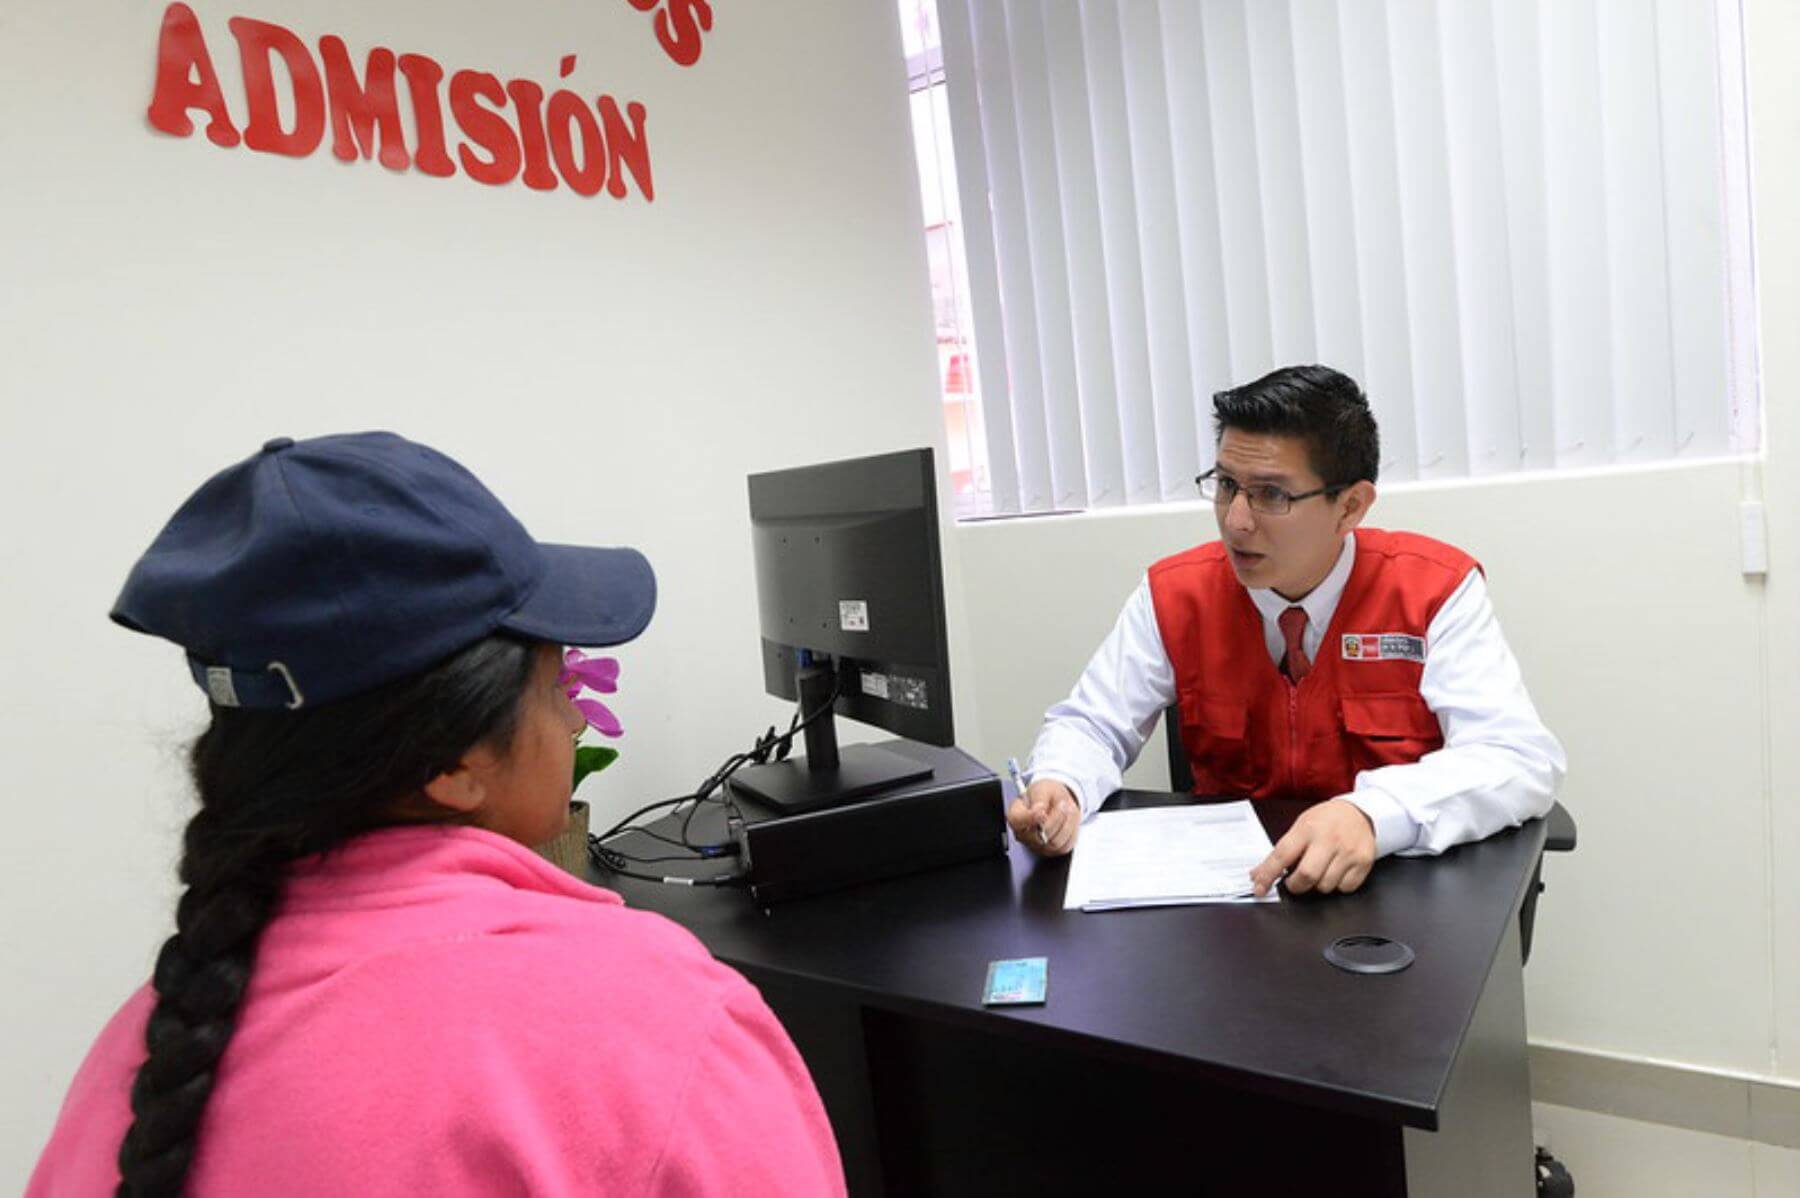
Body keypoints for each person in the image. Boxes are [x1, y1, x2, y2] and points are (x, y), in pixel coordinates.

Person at [29, 432, 845, 1197]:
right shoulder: (653, 1019)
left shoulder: (145, 1050)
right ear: (451, 764)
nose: (572, 719)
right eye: (559, 686)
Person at [1009, 365, 1565, 898]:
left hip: (1398, 900)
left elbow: (1517, 757)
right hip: (1237, 903)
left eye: (1272, 494)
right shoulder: (1176, 593)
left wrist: (1371, 813)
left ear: (1350, 506)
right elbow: (1093, 724)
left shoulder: (1432, 591)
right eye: (1226, 484)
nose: (1236, 520)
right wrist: (1062, 785)